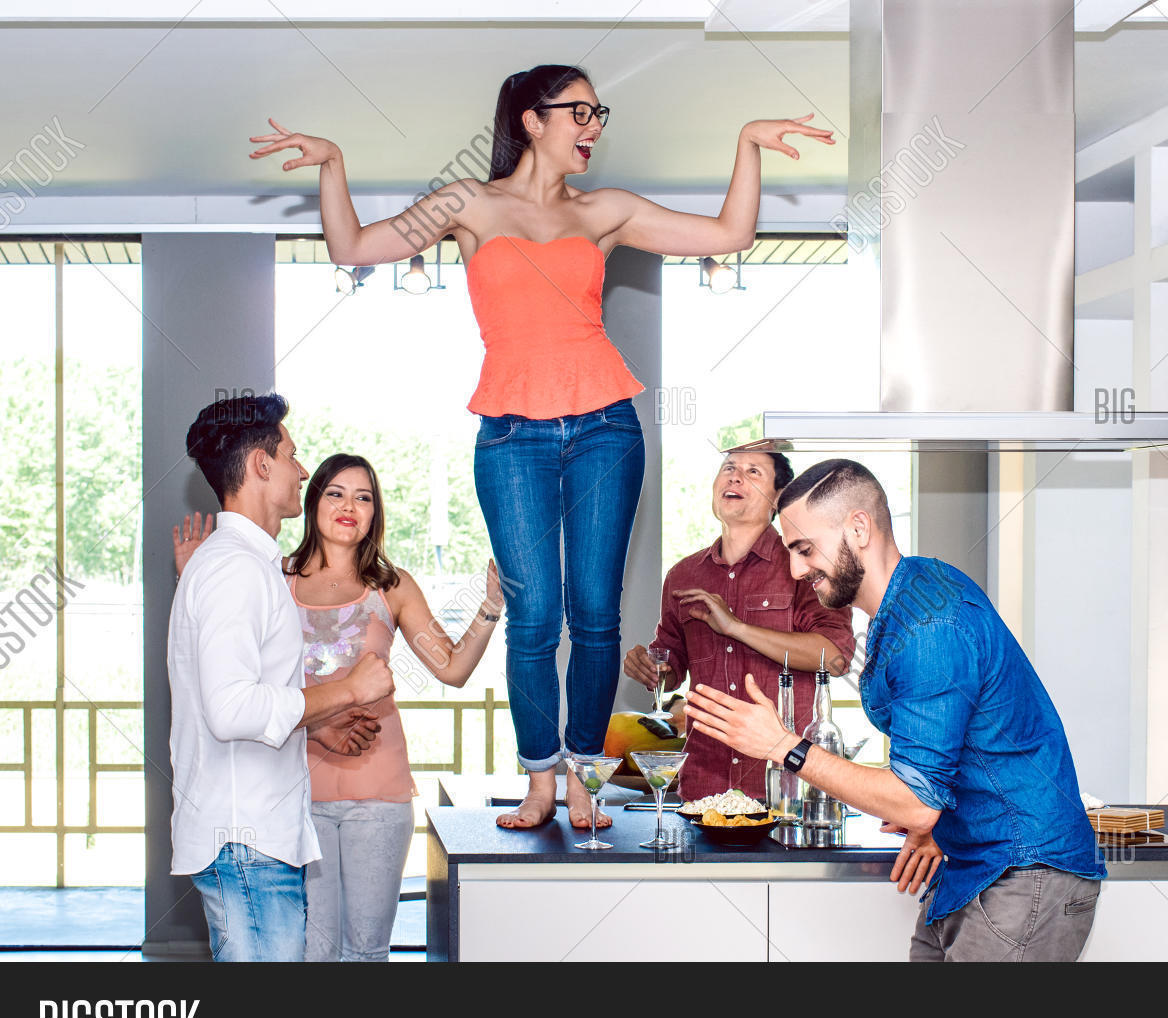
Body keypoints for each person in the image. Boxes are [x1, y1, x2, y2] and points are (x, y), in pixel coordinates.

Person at [249, 64, 834, 831]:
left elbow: (731, 234)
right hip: (511, 435)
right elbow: (352, 247)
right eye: (580, 112)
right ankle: (538, 780)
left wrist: (749, 143)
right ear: (531, 119)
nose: (594, 126)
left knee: (595, 614)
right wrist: (333, 165)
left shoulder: (605, 212)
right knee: (535, 616)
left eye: (599, 113)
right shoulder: (469, 203)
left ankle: (583, 775)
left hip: (604, 429)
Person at [686, 459, 1105, 962]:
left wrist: (784, 746)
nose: (796, 570)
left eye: (803, 549)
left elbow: (914, 800)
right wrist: (933, 822)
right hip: (972, 867)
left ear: (858, 528)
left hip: (1024, 872)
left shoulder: (929, 628)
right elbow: (937, 772)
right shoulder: (913, 591)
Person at [174, 453, 506, 961]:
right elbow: (233, 679)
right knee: (313, 952)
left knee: (367, 951)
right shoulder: (271, 576)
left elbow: (453, 669)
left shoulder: (391, 586)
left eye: (363, 496)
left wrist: (489, 608)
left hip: (378, 794)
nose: (349, 506)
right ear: (313, 503)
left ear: (375, 513)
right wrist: (194, 576)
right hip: (289, 797)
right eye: (335, 493)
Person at [169, 394, 393, 962]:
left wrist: (315, 728)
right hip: (246, 845)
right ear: (260, 466)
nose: (301, 471)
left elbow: (240, 696)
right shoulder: (235, 569)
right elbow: (230, 710)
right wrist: (350, 689)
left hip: (254, 840)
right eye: (291, 456)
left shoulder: (246, 565)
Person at [622, 450, 854, 800]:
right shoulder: (683, 576)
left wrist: (737, 627)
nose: (735, 477)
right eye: (729, 468)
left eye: (753, 472)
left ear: (778, 497)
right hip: (703, 788)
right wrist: (650, 670)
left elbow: (835, 658)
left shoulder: (807, 567)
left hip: (784, 788)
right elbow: (671, 673)